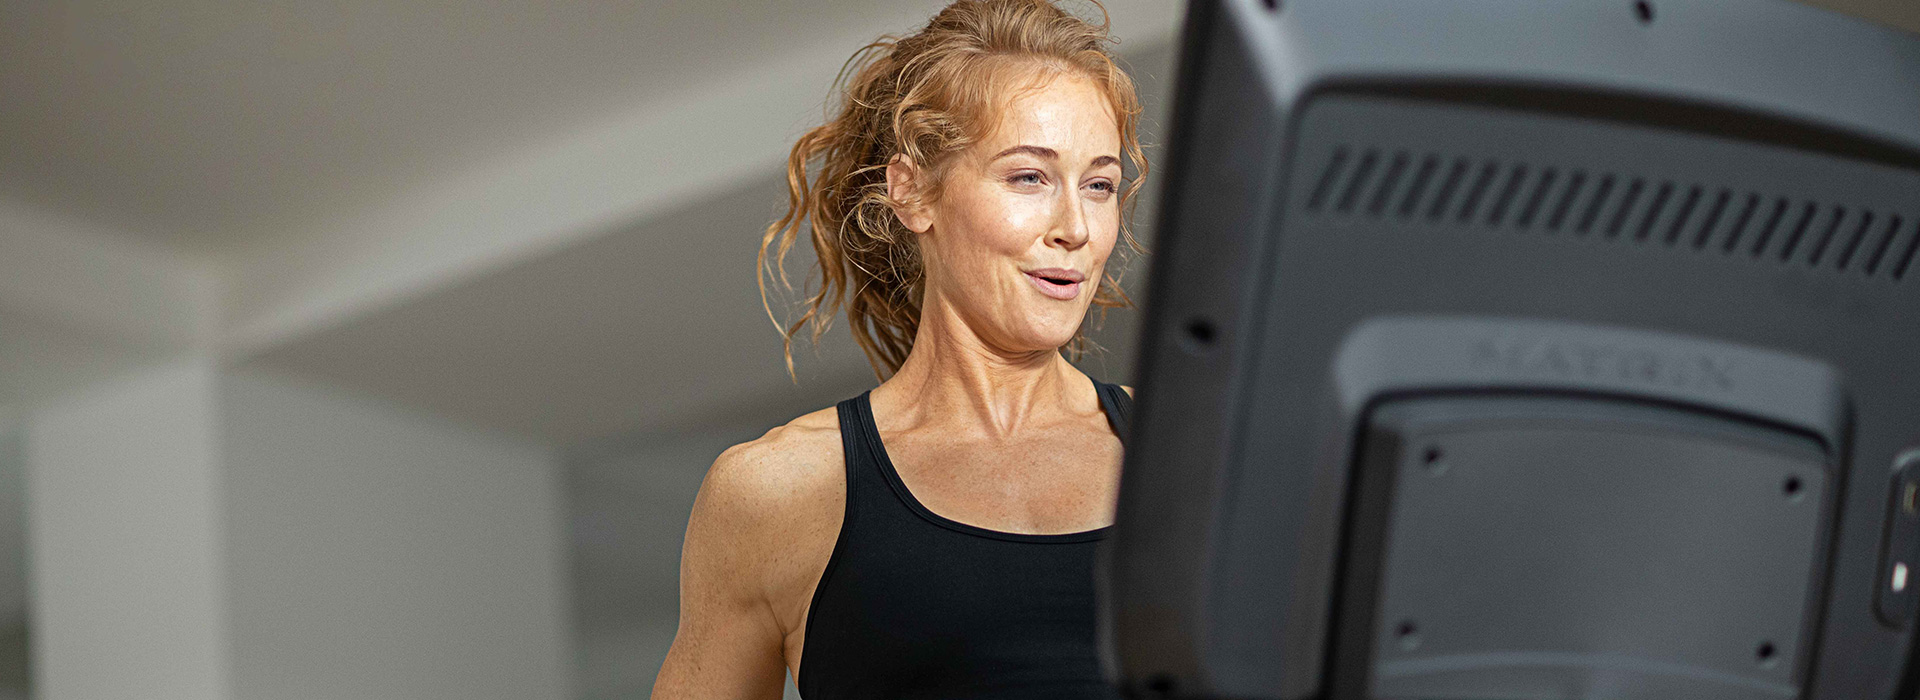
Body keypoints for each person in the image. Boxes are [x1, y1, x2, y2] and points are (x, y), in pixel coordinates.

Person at [653, 0, 1148, 697]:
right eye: (1028, 177)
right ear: (913, 192)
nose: (1076, 226)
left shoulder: (1195, 451)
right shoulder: (781, 492)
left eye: (1099, 185)